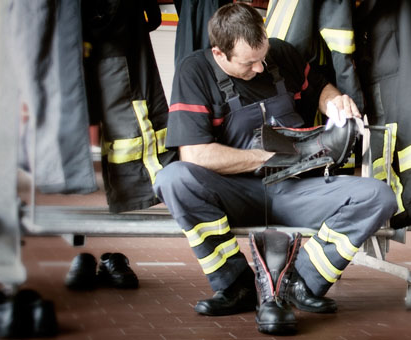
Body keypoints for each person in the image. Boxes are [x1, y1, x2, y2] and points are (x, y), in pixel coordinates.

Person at [153, 2, 397, 334]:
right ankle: (235, 283)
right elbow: (195, 155)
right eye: (248, 63)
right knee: (173, 179)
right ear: (219, 53)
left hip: (296, 188)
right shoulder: (194, 71)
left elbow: (318, 86)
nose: (260, 67)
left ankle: (301, 282)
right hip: (236, 193)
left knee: (378, 196)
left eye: (263, 57)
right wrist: (267, 157)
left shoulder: (280, 54)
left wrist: (334, 102)